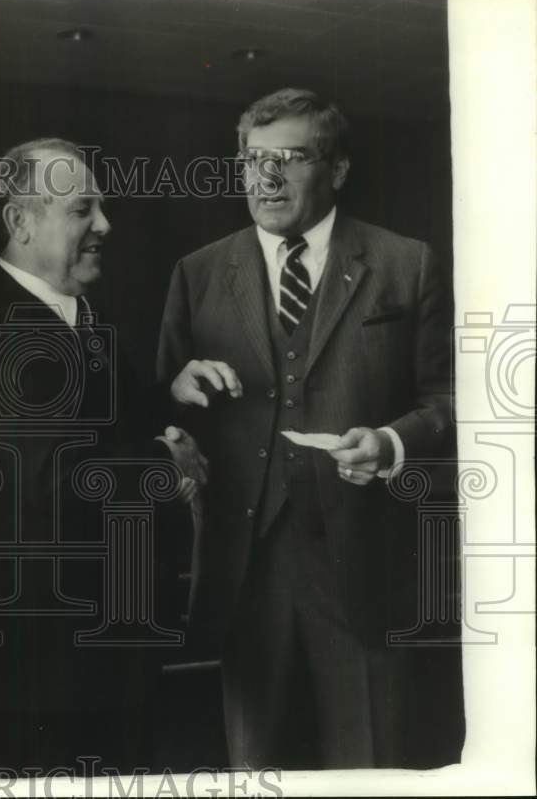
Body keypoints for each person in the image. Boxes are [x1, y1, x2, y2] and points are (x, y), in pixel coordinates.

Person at [156, 88, 456, 768]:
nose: (265, 178)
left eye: (289, 159)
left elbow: (447, 398)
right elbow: (163, 418)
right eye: (252, 159)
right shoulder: (198, 273)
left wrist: (393, 443)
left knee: (370, 767)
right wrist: (175, 394)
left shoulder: (405, 263)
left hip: (364, 565)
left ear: (337, 169)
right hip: (244, 572)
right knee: (254, 772)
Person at [0, 138, 205, 775]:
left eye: (100, 208)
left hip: (112, 657)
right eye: (82, 209)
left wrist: (168, 396)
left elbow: (94, 427)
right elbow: (46, 483)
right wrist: (164, 463)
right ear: (20, 222)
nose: (104, 225)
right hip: (40, 674)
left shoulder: (84, 319)